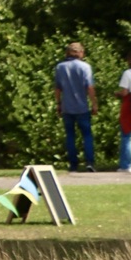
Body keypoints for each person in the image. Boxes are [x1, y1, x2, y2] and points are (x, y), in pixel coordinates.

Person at [54, 42, 97, 172]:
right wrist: (94, 103)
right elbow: (89, 87)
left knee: (70, 135)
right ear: (81, 53)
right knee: (87, 135)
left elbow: (57, 88)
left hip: (67, 106)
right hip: (82, 106)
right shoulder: (85, 67)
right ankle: (89, 162)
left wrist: (58, 103)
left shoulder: (60, 67)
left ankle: (73, 164)